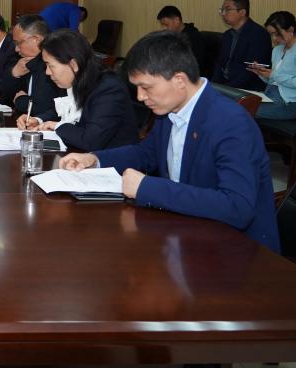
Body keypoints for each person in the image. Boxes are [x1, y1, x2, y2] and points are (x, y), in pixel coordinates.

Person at [60, 32, 279, 252]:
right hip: (185, 231)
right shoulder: (170, 109)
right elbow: (147, 154)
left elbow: (237, 208)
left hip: (234, 251)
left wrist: (147, 187)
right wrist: (94, 159)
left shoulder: (231, 123)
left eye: (146, 87)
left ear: (179, 80)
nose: (140, 97)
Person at [17, 29, 138, 152]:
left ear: (73, 64)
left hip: (111, 160)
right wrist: (38, 120)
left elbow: (91, 140)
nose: (47, 72)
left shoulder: (108, 89)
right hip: (78, 154)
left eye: (51, 65)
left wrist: (57, 126)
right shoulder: (75, 78)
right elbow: (61, 111)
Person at [250, 11, 296, 120]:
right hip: (269, 96)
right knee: (236, 102)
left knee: (243, 107)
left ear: (291, 30)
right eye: (271, 34)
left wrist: (273, 75)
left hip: (289, 104)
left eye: (277, 34)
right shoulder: (277, 49)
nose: (274, 38)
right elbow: (274, 81)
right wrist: (262, 73)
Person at [9, 15, 64, 121]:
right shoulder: (28, 61)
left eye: (18, 43)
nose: (16, 49)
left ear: (36, 40)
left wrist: (20, 100)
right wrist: (14, 74)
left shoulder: (51, 64)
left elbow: (42, 107)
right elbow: (8, 94)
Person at [212, 0, 270, 92]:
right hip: (226, 85)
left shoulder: (258, 34)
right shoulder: (227, 35)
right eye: (222, 10)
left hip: (247, 88)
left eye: (227, 9)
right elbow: (220, 63)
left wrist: (227, 89)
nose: (223, 14)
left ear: (242, 12)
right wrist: (214, 85)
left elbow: (251, 70)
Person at [156, 5, 207, 73]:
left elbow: (192, 64)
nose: (163, 28)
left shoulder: (193, 37)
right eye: (162, 25)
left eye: (166, 25)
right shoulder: (172, 35)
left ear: (177, 20)